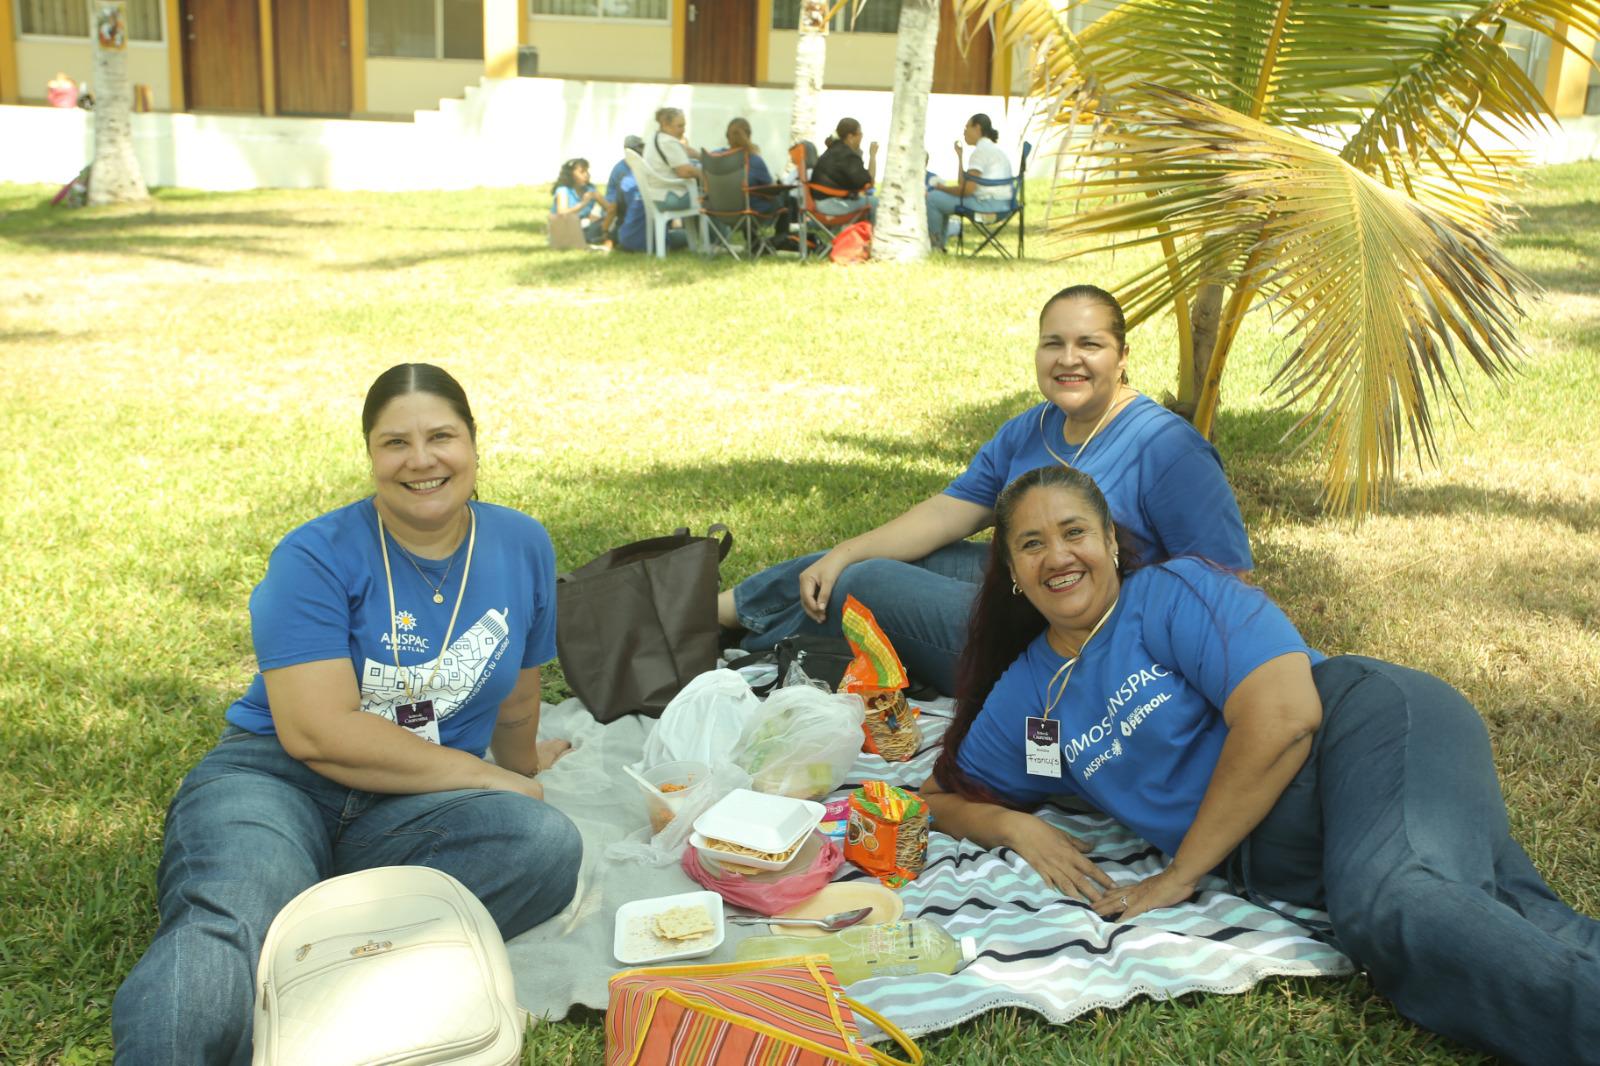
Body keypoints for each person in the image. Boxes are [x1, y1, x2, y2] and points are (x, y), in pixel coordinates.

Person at [923, 463, 1600, 1066]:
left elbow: (1283, 719)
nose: (1058, 556)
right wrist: (1018, 829)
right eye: (1032, 543)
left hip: (1365, 735)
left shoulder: (1168, 594)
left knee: (1400, 902)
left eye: (1074, 532)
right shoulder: (1027, 693)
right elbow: (937, 797)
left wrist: (1181, 874)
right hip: (1316, 847)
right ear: (1010, 570)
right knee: (1524, 924)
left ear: (1108, 540)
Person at [112, 364, 584, 1064]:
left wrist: (521, 767)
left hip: (413, 800)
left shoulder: (521, 543)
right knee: (234, 920)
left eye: (441, 437)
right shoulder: (315, 554)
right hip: (278, 777)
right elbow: (316, 731)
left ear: (474, 444)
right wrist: (481, 776)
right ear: (370, 455)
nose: (421, 460)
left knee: (546, 845)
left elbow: (518, 693)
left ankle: (316, 972)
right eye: (395, 442)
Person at [719, 284, 1252, 695]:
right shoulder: (1032, 428)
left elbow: (1228, 582)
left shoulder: (1168, 449)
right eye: (1054, 344)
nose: (1069, 359)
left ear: (1122, 355)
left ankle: (748, 641)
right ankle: (704, 613)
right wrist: (843, 549)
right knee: (843, 562)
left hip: (1087, 642)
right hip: (1023, 587)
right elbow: (950, 512)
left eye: (1090, 344)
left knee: (866, 582)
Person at [926, 113, 1014, 251]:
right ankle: (939, 245)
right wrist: (960, 157)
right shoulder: (992, 150)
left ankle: (936, 246)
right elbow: (963, 183)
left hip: (988, 208)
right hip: (1003, 206)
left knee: (932, 199)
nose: (964, 131)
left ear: (977, 128)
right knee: (939, 198)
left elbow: (966, 191)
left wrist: (940, 188)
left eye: (967, 127)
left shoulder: (980, 152)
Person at [807, 117, 877, 218]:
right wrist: (873, 156)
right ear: (850, 137)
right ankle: (877, 234)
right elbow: (868, 183)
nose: (862, 137)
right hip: (830, 204)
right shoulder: (847, 155)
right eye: (860, 134)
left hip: (820, 201)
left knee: (862, 200)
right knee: (874, 202)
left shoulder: (834, 149)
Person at [642, 106, 703, 210]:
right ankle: (722, 226)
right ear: (666, 125)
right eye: (680, 126)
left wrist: (699, 156)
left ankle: (694, 226)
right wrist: (703, 173)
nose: (684, 130)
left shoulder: (655, 137)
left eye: (684, 126)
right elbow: (685, 172)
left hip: (655, 195)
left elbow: (685, 151)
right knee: (712, 199)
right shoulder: (669, 142)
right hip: (670, 197)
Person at [724, 116, 779, 213]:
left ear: (727, 137)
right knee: (782, 198)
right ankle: (780, 229)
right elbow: (771, 192)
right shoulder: (754, 160)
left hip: (720, 212)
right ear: (749, 136)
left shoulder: (717, 157)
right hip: (747, 211)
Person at [551, 157, 606, 245]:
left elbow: (610, 209)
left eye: (587, 171)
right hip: (564, 226)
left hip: (582, 225)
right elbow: (562, 213)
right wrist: (583, 203)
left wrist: (599, 198)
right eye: (582, 172)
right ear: (570, 174)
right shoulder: (563, 190)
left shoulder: (590, 189)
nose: (586, 175)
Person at [603, 133, 647, 244]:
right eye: (640, 147)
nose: (643, 151)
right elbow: (613, 207)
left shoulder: (642, 165)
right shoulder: (622, 171)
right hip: (621, 215)